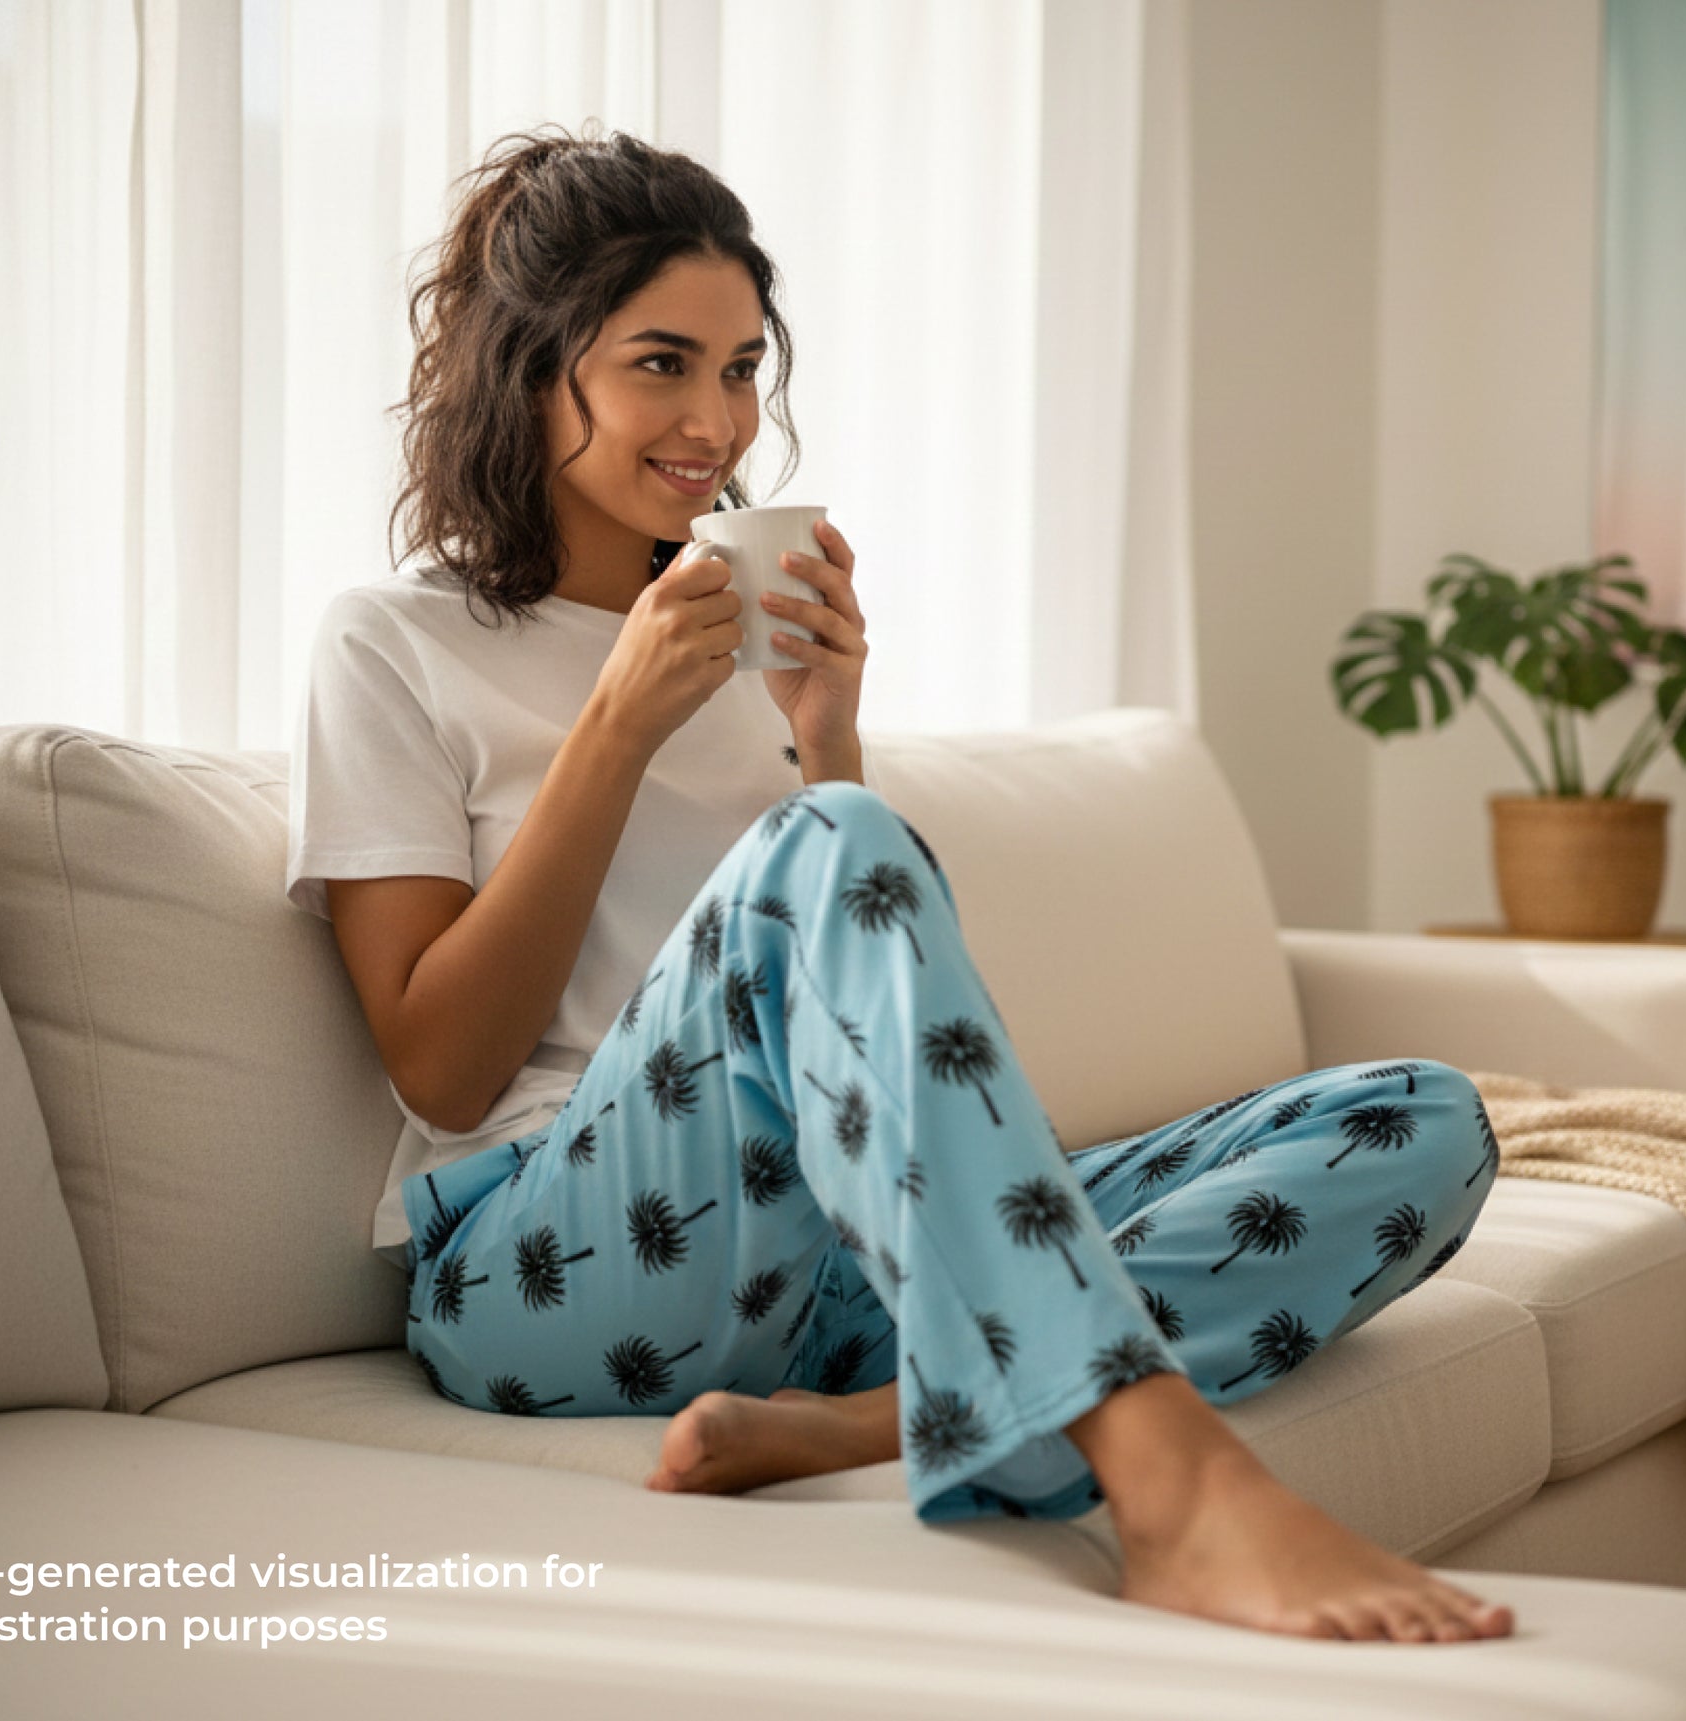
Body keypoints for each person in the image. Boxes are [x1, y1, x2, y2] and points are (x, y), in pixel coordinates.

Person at [285, 121, 1515, 1647]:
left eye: (742, 369)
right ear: (532, 370)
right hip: (553, 1274)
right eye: (661, 364)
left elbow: (855, 1023)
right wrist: (614, 727)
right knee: (827, 845)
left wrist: (823, 733)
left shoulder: (735, 639)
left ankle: (865, 1419)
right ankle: (1168, 1480)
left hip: (826, 1273)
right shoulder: (391, 643)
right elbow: (439, 1065)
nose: (716, 422)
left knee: (1417, 1119)